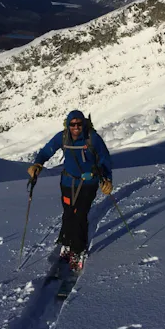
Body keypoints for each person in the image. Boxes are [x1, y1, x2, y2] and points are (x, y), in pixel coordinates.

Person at [27, 110, 113, 271]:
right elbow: (47, 151)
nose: (76, 127)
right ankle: (66, 243)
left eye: (79, 124)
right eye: (72, 124)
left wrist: (107, 179)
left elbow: (104, 158)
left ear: (84, 124)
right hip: (67, 182)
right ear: (67, 124)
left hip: (89, 183)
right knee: (68, 212)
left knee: (80, 214)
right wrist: (38, 163)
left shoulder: (92, 138)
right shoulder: (63, 137)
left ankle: (78, 250)